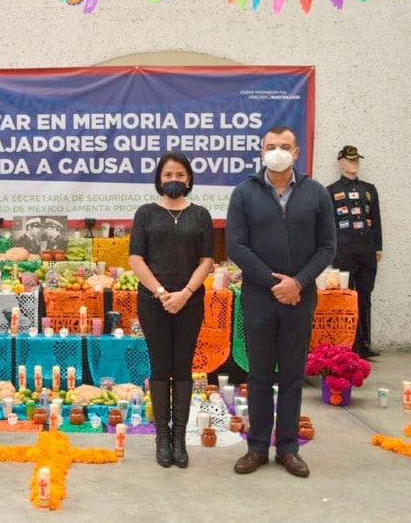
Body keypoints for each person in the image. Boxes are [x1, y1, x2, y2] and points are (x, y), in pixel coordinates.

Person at [226, 125, 335, 478]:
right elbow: (236, 246)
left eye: (284, 146)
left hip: (300, 297)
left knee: (291, 375)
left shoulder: (316, 193)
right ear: (261, 151)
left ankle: (288, 448)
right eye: (271, 146)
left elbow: (327, 247)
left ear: (297, 152)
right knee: (258, 375)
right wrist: (274, 283)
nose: (277, 151)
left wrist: (298, 282)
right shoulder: (244, 193)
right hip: (260, 297)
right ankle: (257, 447)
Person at [129, 151, 214, 469]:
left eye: (180, 175)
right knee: (159, 366)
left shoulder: (201, 214)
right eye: (168, 175)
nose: (174, 180)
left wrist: (186, 292)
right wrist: (163, 293)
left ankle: (179, 439)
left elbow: (207, 259)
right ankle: (161, 439)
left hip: (190, 302)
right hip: (154, 302)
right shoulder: (146, 213)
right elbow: (136, 258)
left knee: (183, 366)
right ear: (159, 179)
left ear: (189, 179)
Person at [326, 145, 382, 359]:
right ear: (341, 162)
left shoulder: (369, 189)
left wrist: (378, 246)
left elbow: (375, 219)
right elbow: (328, 224)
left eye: (356, 160)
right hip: (344, 251)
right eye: (350, 161)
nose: (354, 164)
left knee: (365, 297)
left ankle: (364, 343)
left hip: (367, 250)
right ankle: (346, 342)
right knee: (344, 298)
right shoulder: (331, 191)